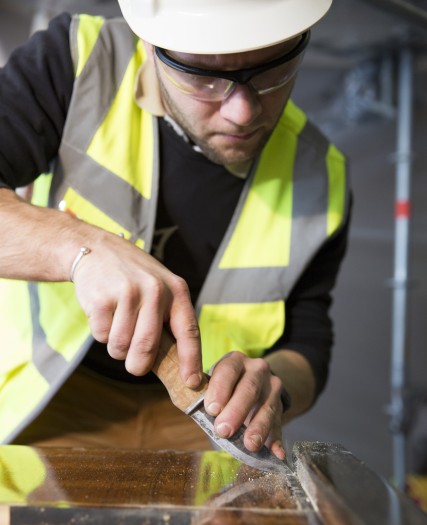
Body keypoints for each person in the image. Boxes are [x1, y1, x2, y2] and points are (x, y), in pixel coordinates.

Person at [0, 0, 350, 460]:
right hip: (56, 398)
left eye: (272, 70)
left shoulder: (322, 174)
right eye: (203, 76)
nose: (242, 112)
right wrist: (79, 246)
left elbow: (309, 342)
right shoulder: (79, 62)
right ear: (150, 47)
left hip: (209, 421)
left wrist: (274, 388)